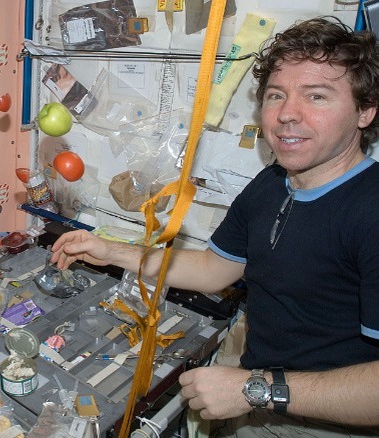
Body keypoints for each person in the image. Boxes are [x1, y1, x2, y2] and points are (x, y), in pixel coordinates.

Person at [50, 17, 379, 436]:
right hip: (262, 390)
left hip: (331, 419)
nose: (287, 114)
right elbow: (212, 269)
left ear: (365, 111)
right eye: (276, 95)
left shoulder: (371, 210)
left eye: (316, 96)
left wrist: (258, 390)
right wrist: (113, 252)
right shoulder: (272, 183)